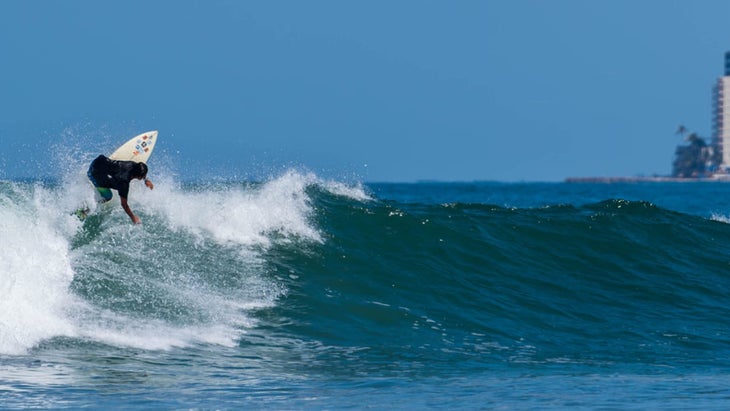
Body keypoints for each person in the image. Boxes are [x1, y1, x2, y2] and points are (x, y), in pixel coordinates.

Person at [87, 154, 154, 224]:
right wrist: (133, 217)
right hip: (93, 173)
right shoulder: (124, 182)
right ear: (139, 177)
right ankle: (87, 209)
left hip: (99, 160)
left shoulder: (132, 164)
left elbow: (140, 169)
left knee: (116, 182)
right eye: (143, 176)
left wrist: (146, 180)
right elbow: (124, 204)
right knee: (108, 196)